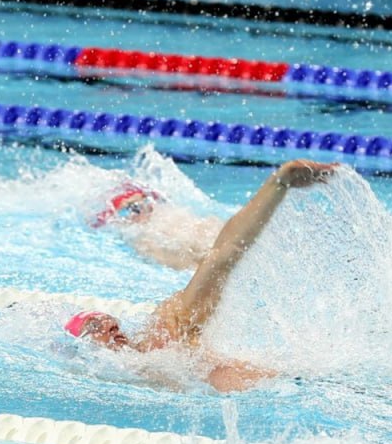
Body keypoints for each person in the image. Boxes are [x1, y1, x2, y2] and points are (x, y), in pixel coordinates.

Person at [65, 159, 337, 392]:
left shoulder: (165, 333)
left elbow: (222, 257)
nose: (110, 328)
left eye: (108, 321)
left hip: (297, 388)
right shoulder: (116, 370)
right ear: (86, 350)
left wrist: (279, 184)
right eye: (95, 328)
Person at [90, 180, 221, 271]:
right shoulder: (145, 239)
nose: (141, 209)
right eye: (133, 209)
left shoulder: (148, 237)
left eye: (142, 203)